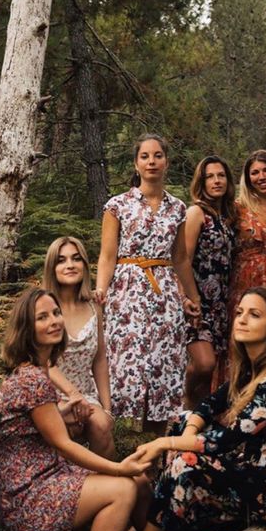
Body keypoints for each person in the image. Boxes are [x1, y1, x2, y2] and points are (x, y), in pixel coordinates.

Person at [116, 286, 266, 531]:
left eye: (254, 315)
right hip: (250, 468)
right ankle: (166, 522)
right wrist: (186, 428)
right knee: (181, 421)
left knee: (186, 458)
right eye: (240, 313)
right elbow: (209, 405)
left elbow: (227, 440)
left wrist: (165, 443)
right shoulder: (250, 369)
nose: (242, 319)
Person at [0, 288, 150, 531]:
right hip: (28, 497)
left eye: (55, 313)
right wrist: (118, 468)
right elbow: (63, 445)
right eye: (42, 317)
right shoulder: (32, 378)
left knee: (142, 481)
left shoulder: (36, 371)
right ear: (26, 328)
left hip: (48, 475)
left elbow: (33, 422)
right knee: (124, 488)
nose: (54, 321)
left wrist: (61, 411)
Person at [94, 134, 201, 430]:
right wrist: (101, 291)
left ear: (166, 161)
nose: (151, 161)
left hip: (164, 294)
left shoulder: (178, 209)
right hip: (126, 291)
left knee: (163, 362)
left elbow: (180, 259)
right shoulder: (117, 205)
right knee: (124, 362)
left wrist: (192, 298)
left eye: (157, 156)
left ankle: (156, 438)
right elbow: (107, 256)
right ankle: (120, 434)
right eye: (145, 156)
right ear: (136, 163)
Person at [42, 236, 114, 458]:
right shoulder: (43, 306)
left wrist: (107, 408)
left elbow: (100, 359)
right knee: (62, 431)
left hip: (86, 393)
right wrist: (72, 396)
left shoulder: (94, 306)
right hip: (49, 394)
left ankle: (110, 484)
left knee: (102, 425)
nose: (70, 265)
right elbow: (42, 361)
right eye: (61, 260)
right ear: (52, 267)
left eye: (76, 259)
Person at [183, 155, 237, 407]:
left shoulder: (225, 217)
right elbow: (182, 259)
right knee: (204, 364)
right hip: (197, 302)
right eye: (210, 176)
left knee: (209, 378)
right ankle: (180, 396)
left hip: (220, 305)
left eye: (221, 175)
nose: (216, 181)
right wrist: (187, 298)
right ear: (201, 182)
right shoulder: (196, 213)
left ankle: (191, 425)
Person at [228, 150, 266, 319]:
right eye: (254, 173)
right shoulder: (237, 209)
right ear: (248, 180)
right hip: (244, 286)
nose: (261, 177)